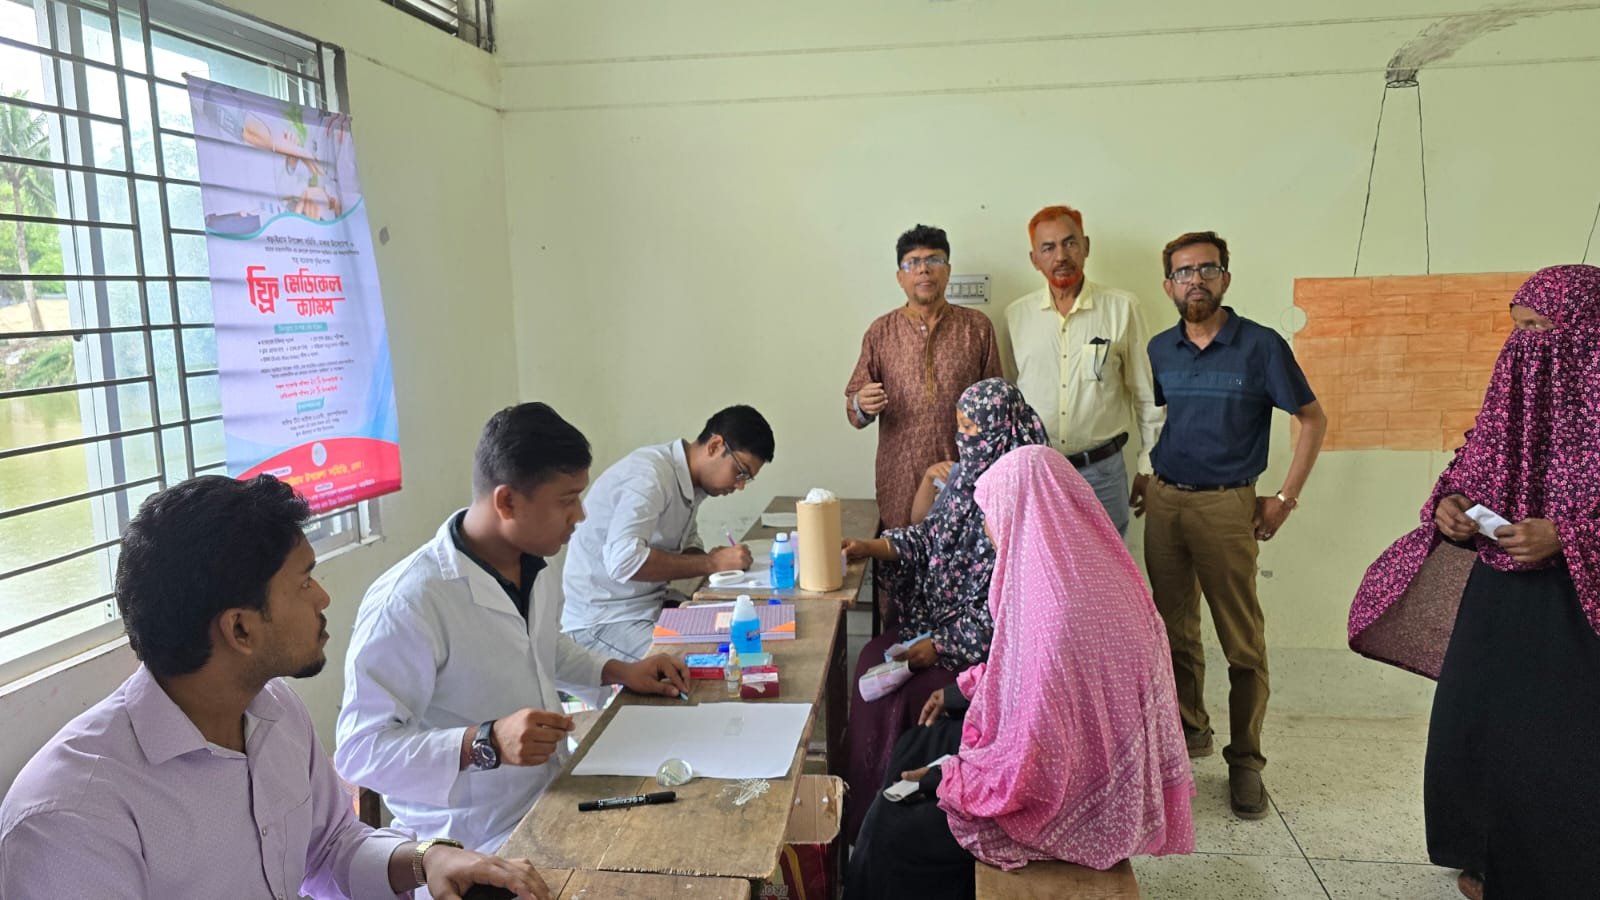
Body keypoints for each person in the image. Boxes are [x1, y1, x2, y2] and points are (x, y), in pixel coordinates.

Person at [0, 475, 548, 899]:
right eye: (304, 581)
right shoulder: (72, 817)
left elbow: (331, 847)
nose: (323, 597)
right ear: (240, 629)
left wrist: (426, 860)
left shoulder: (273, 710)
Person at [334, 403, 691, 854]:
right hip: (471, 842)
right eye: (566, 500)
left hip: (552, 796)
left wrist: (620, 670)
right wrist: (484, 743)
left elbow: (540, 649)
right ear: (507, 502)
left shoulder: (535, 563)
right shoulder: (410, 601)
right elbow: (360, 752)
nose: (580, 515)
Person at [1348, 265, 1600, 898]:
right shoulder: (1515, 388)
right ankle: (1485, 858)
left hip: (1577, 605)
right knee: (1479, 725)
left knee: (1557, 742)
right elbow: (1477, 456)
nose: (1524, 346)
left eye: (1541, 329)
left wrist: (1567, 536)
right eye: (1518, 329)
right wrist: (1453, 505)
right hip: (1500, 588)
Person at [845, 445, 1194, 900]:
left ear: (1024, 511)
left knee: (895, 830)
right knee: (916, 745)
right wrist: (962, 694)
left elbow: (1035, 765)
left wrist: (947, 778)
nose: (987, 529)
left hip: (1071, 793)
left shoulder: (1056, 610)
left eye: (992, 514)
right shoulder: (1078, 567)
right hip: (1077, 755)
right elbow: (1022, 675)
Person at [1141, 230, 1327, 820]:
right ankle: (1189, 730)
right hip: (1165, 504)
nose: (1195, 280)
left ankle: (1246, 759)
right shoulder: (1160, 349)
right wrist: (1147, 474)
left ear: (1225, 277)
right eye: (1183, 272)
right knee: (1172, 631)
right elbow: (1163, 419)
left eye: (1206, 269)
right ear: (1168, 285)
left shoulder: (1261, 345)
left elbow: (1313, 419)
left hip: (1227, 507)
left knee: (1240, 640)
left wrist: (1285, 498)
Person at [839, 378, 1048, 844]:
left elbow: (1014, 610)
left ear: (1000, 429)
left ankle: (907, 820)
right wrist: (870, 546)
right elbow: (929, 535)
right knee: (871, 664)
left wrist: (939, 646)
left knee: (914, 696)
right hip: (936, 623)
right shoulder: (964, 480)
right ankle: (863, 818)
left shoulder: (1023, 497)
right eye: (959, 426)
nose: (962, 438)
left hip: (980, 651)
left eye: (971, 428)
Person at [562, 405, 775, 661]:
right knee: (701, 666)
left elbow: (685, 545)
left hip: (650, 605)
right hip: (605, 620)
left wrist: (712, 560)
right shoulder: (650, 476)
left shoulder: (692, 484)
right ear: (715, 446)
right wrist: (711, 562)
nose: (740, 485)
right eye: (740, 471)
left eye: (747, 478)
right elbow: (624, 561)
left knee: (741, 637)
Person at [1005, 205, 1164, 536]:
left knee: (1105, 565)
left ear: (1086, 246)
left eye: (1070, 243)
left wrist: (1149, 465)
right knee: (1043, 565)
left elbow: (1147, 394)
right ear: (1034, 259)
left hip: (1102, 475)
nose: (1061, 255)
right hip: (1038, 474)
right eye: (1048, 247)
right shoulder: (1016, 317)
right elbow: (1008, 402)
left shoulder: (1122, 308)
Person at [844, 224, 1003, 530]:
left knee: (961, 552)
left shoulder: (977, 328)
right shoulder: (881, 332)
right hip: (900, 478)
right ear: (900, 277)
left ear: (948, 270)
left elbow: (998, 408)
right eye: (912, 263)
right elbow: (854, 412)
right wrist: (861, 402)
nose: (923, 269)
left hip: (964, 475)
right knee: (899, 551)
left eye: (933, 260)